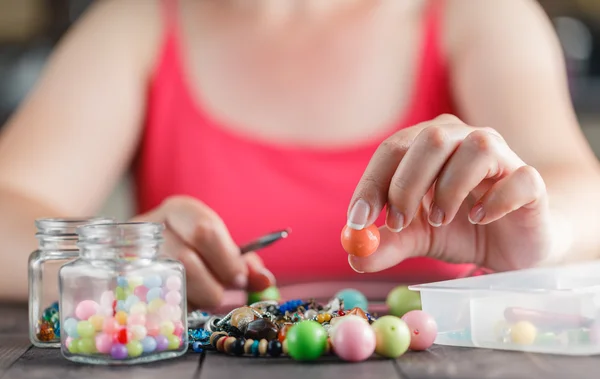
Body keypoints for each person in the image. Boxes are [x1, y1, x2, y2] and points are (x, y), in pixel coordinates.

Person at [0, 0, 599, 309]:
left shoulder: (479, 17)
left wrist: (543, 229)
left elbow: (581, 186)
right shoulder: (138, 25)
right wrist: (120, 255)